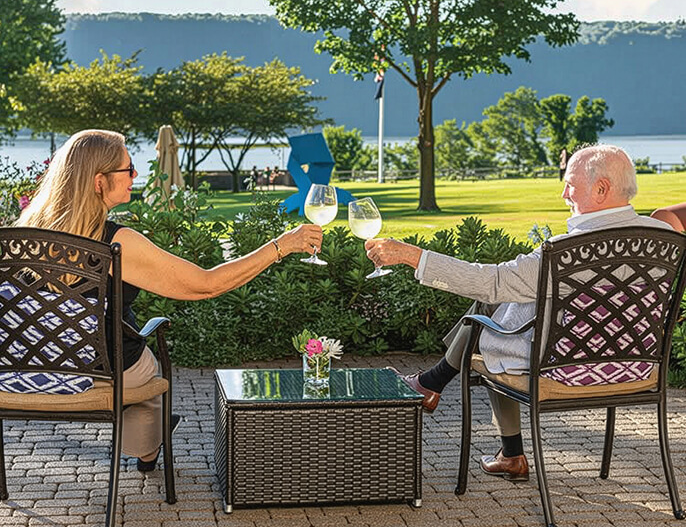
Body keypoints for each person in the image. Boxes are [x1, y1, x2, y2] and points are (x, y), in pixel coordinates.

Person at [15, 130, 322, 472]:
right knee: (149, 371)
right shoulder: (117, 244)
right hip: (105, 373)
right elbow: (205, 285)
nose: (136, 176)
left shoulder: (21, 237)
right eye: (127, 170)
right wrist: (281, 245)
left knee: (136, 364)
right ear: (99, 181)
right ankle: (148, 447)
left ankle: (150, 435)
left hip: (31, 372)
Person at [364, 144, 672, 482]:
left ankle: (497, 441)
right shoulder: (667, 238)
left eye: (570, 184)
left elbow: (491, 281)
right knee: (501, 307)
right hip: (636, 367)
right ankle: (439, 390)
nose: (563, 193)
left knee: (488, 327)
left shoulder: (565, 252)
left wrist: (412, 255)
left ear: (601, 189)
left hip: (568, 370)